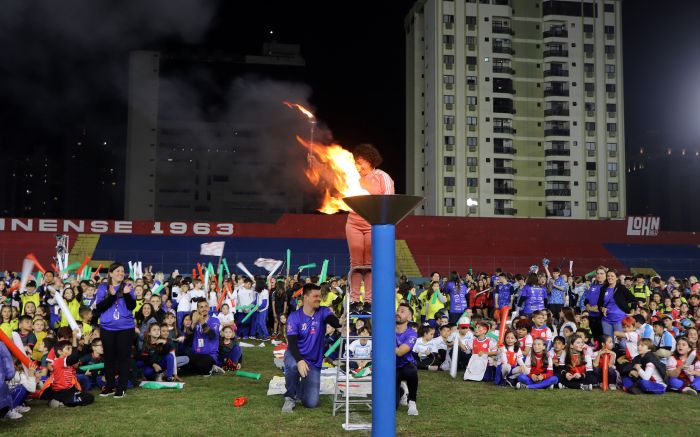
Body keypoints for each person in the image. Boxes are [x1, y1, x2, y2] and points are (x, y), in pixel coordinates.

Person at [346, 144, 395, 314]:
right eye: (356, 163)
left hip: (372, 223)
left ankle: (368, 301)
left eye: (361, 162)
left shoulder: (382, 177)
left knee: (369, 264)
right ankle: (353, 301)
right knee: (356, 263)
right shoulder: (352, 177)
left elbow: (389, 201)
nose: (358, 167)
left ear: (370, 160)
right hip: (353, 222)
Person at [282, 283, 342, 412]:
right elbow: (292, 343)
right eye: (315, 296)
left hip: (313, 361)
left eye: (319, 296)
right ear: (305, 298)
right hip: (295, 355)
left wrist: (341, 321)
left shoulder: (323, 311)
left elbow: (334, 321)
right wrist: (299, 360)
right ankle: (289, 397)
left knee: (311, 403)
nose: (319, 299)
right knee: (292, 366)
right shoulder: (294, 317)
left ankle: (300, 388)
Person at [94, 262, 136, 398]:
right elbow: (100, 307)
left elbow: (132, 306)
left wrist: (127, 295)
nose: (120, 273)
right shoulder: (102, 288)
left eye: (122, 271)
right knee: (109, 358)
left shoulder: (128, 287)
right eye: (117, 271)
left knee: (123, 358)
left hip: (125, 328)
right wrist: (112, 296)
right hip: (107, 328)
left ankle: (121, 387)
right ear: (110, 273)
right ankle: (109, 386)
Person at [598, 269, 636, 342]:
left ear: (617, 278)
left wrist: (633, 310)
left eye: (612, 276)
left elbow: (633, 299)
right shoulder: (603, 288)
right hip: (606, 320)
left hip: (619, 319)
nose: (610, 277)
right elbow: (599, 303)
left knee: (622, 343)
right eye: (608, 276)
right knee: (609, 343)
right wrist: (602, 308)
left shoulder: (621, 288)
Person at [189, 299, 224, 375]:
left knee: (201, 366)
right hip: (196, 354)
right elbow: (188, 337)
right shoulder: (195, 321)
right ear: (198, 309)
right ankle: (211, 368)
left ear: (208, 308)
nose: (204, 309)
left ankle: (213, 366)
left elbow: (212, 335)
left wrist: (201, 321)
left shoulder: (215, 320)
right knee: (186, 366)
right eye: (201, 307)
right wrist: (193, 324)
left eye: (206, 306)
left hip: (210, 355)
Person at [395, 302, 419, 416]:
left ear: (409, 317)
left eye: (402, 311)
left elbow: (400, 352)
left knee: (412, 371)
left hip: (405, 365)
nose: (398, 313)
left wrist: (385, 341)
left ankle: (412, 402)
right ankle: (401, 392)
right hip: (391, 367)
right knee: (392, 407)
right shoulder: (387, 328)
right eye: (398, 310)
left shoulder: (412, 333)